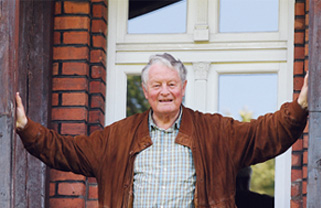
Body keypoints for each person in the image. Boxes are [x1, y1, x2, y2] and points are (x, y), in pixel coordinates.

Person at [16, 53, 309, 208]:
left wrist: (300, 106)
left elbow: (265, 134)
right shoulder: (117, 137)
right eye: (157, 85)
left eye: (171, 84)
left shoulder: (217, 132)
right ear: (146, 91)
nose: (164, 92)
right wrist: (26, 128)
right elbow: (66, 151)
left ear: (183, 88)